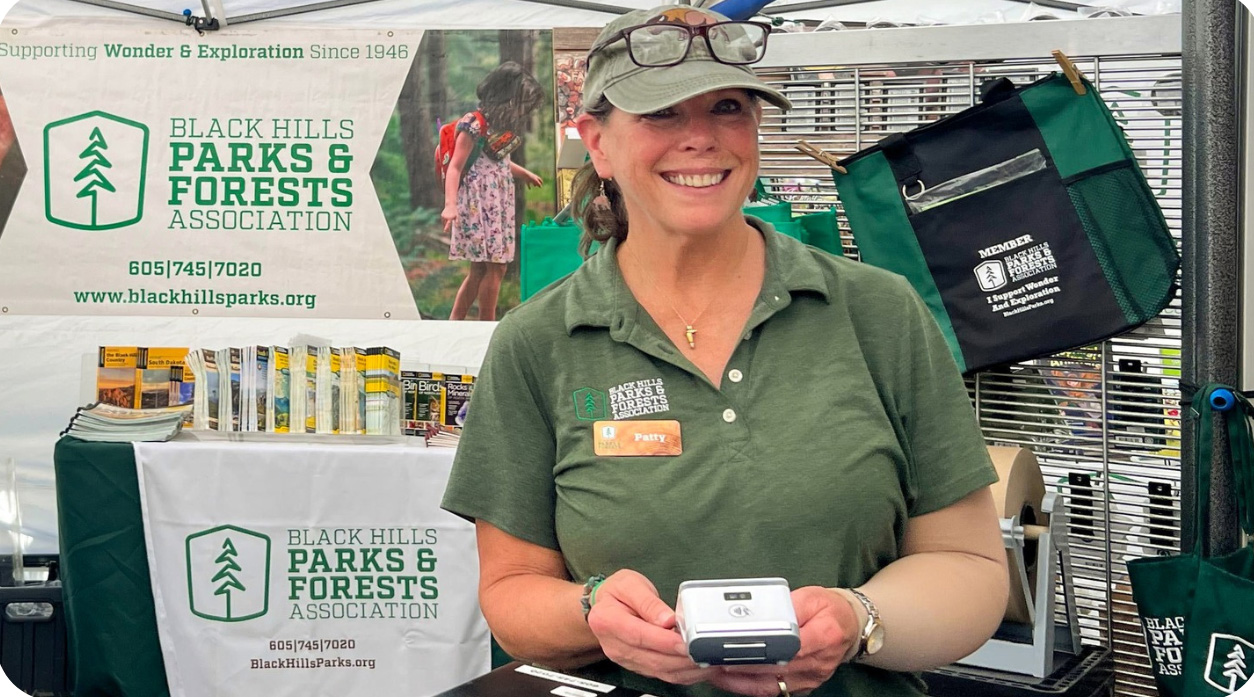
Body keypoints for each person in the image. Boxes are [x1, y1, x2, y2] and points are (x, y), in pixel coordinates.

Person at [441, 6, 1009, 697]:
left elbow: (969, 566)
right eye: (661, 115)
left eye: (728, 107)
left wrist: (858, 617)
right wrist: (592, 612)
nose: (702, 139)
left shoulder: (879, 313)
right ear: (596, 142)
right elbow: (510, 590)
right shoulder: (537, 342)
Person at [441, 61, 546, 321]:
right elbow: (456, 167)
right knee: (493, 268)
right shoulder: (473, 124)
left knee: (481, 269)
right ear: (504, 97)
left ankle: (456, 322)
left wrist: (524, 174)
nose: (521, 111)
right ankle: (485, 324)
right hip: (478, 203)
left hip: (497, 202)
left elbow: (500, 164)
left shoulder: (500, 127)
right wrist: (450, 204)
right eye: (519, 103)